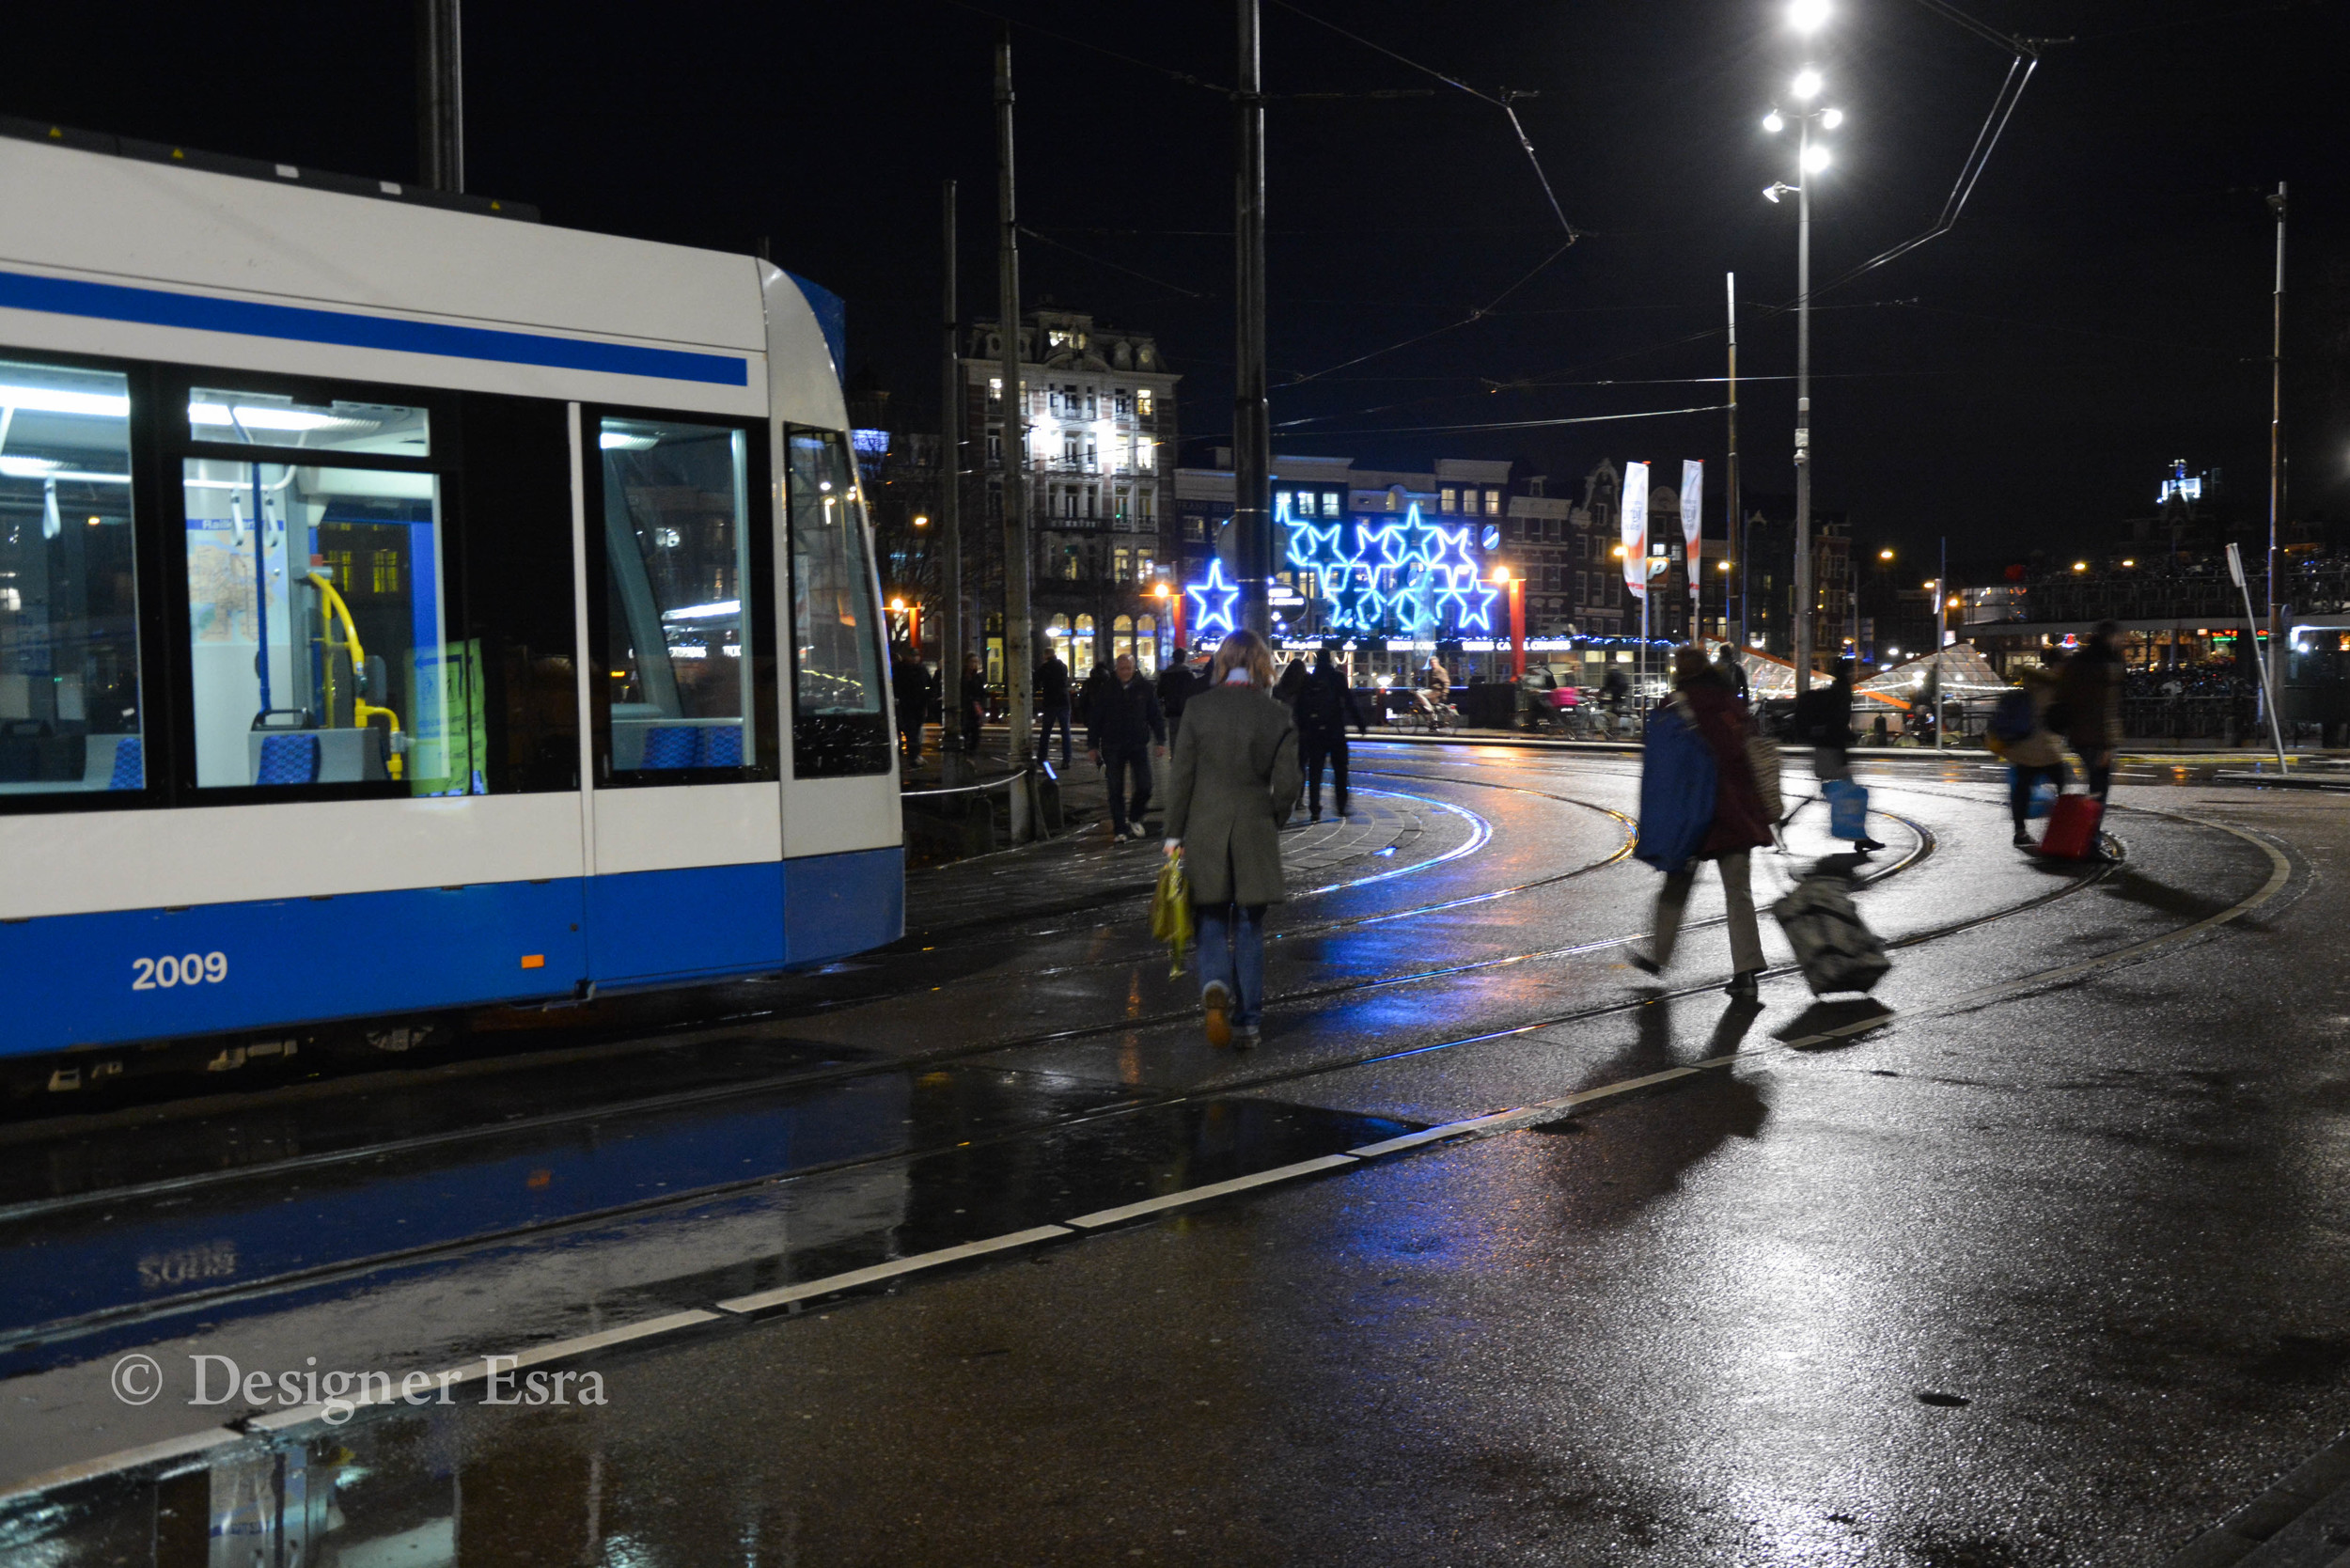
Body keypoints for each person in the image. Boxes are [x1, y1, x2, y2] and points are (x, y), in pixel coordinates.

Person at [1165, 629, 1301, 1049]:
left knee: (1208, 919)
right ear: (1263, 665)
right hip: (1254, 828)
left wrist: (1173, 835)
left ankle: (1215, 983)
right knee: (1249, 926)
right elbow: (1289, 784)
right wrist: (1271, 820)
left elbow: (1181, 776)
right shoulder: (1276, 714)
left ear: (1222, 662)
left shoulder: (1198, 709)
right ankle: (1247, 1022)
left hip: (1205, 828)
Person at [1630, 648, 1772, 999]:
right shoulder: (1730, 703)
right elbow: (1754, 752)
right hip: (1735, 812)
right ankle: (1747, 972)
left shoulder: (1671, 707)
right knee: (1738, 893)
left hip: (1691, 815)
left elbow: (1660, 771)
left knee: (1676, 886)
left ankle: (1659, 956)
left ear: (1680, 671)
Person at [1794, 657, 1886, 852]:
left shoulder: (1837, 691)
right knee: (1850, 795)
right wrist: (1849, 735)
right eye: (1853, 671)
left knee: (1842, 793)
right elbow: (1837, 723)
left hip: (1826, 749)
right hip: (1832, 751)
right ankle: (1859, 838)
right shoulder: (1841, 693)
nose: (1855, 674)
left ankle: (1859, 838)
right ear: (1848, 673)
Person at [1087, 652, 1167, 841]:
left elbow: (1155, 715)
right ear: (1116, 669)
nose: (1125, 672)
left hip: (1138, 743)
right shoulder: (1107, 689)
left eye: (1128, 668)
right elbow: (1096, 718)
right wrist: (1092, 744)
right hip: (1112, 744)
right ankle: (1120, 829)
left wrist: (1160, 740)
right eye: (1122, 669)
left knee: (1145, 785)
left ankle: (1135, 816)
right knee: (1115, 788)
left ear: (1134, 668)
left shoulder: (1145, 688)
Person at [1294, 647, 1367, 821]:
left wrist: (1303, 729)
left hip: (1314, 732)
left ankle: (1314, 808)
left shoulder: (1309, 680)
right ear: (1330, 660)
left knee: (1315, 771)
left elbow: (1301, 707)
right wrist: (1360, 724)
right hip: (1335, 730)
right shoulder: (1337, 678)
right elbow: (1349, 701)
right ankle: (1341, 805)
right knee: (1340, 770)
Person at [2000, 662, 2067, 849]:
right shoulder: (2053, 691)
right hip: (2048, 751)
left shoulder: (2023, 694)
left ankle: (2020, 831)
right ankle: (2062, 830)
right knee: (2064, 789)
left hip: (2022, 752)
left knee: (2020, 792)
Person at [2058, 620, 2124, 802]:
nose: (2121, 641)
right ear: (2110, 638)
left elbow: (2065, 696)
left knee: (2094, 782)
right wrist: (2108, 746)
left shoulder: (2077, 662)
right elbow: (2107, 707)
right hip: (2098, 737)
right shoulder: (2108, 666)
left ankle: (2087, 826)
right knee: (2100, 786)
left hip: (2077, 734)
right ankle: (2091, 827)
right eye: (2118, 637)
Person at [889, 646, 932, 766]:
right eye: (913, 656)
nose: (915, 659)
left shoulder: (920, 669)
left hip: (918, 705)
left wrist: (927, 698)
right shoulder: (900, 669)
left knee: (915, 731)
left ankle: (913, 755)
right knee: (911, 731)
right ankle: (913, 756)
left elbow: (929, 685)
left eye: (916, 656)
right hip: (906, 705)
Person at [1034, 648, 1073, 767]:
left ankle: (1041, 758)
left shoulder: (1044, 668)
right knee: (1065, 731)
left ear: (1045, 655)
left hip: (1050, 701)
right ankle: (1066, 760)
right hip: (1063, 701)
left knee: (1046, 731)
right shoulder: (1063, 666)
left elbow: (1036, 682)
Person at [1157, 650, 1201, 748]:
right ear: (1184, 658)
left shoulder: (1165, 675)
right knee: (1186, 739)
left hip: (1172, 711)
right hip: (1186, 711)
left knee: (1173, 738)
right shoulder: (1189, 675)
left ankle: (1174, 759)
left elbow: (1159, 693)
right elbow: (1195, 693)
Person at [958, 651, 986, 754]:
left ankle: (970, 752)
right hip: (965, 709)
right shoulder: (962, 677)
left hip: (974, 710)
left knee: (975, 734)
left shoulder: (977, 678)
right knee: (965, 732)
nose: (974, 664)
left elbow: (981, 693)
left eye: (976, 662)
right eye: (972, 662)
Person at [1601, 661, 1630, 735]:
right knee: (1617, 713)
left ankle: (1613, 729)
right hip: (1620, 697)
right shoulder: (1621, 674)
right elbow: (1626, 685)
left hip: (1614, 697)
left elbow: (1606, 686)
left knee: (1612, 713)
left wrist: (1601, 692)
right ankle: (1617, 728)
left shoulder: (1611, 674)